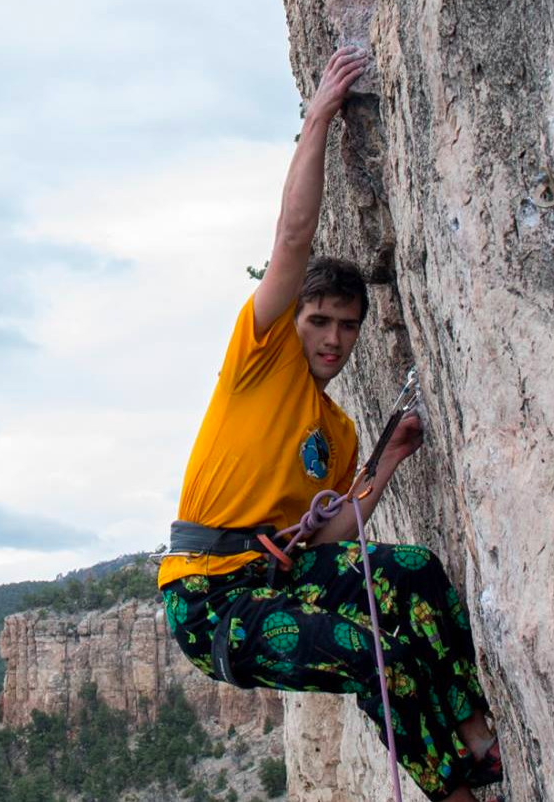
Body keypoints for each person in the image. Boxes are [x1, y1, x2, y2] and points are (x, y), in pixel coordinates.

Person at [158, 46, 502, 802]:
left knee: (409, 572)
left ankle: (474, 733)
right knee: (367, 650)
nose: (331, 340)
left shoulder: (338, 432)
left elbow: (328, 534)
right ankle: (452, 789)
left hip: (278, 577)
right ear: (293, 322)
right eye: (318, 320)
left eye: (346, 326)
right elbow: (291, 239)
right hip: (209, 601)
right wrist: (316, 117)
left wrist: (389, 460)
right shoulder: (259, 360)